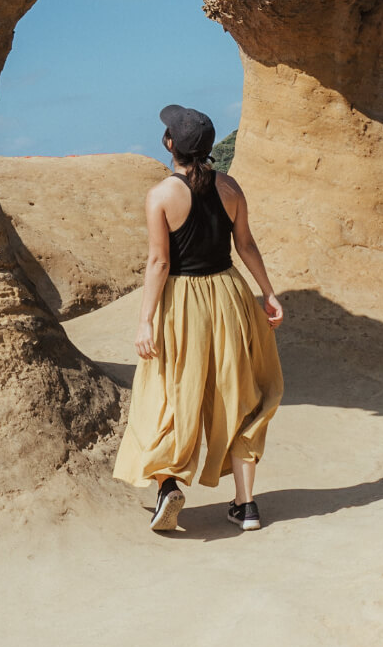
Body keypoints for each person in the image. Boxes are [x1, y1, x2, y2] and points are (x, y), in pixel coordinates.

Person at [113, 104, 284, 534]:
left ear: (171, 145)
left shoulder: (161, 196)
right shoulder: (230, 187)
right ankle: (246, 507)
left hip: (183, 304)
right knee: (241, 395)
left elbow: (158, 263)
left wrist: (145, 321)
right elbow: (245, 245)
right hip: (229, 296)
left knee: (168, 394)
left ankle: (168, 483)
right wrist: (269, 292)